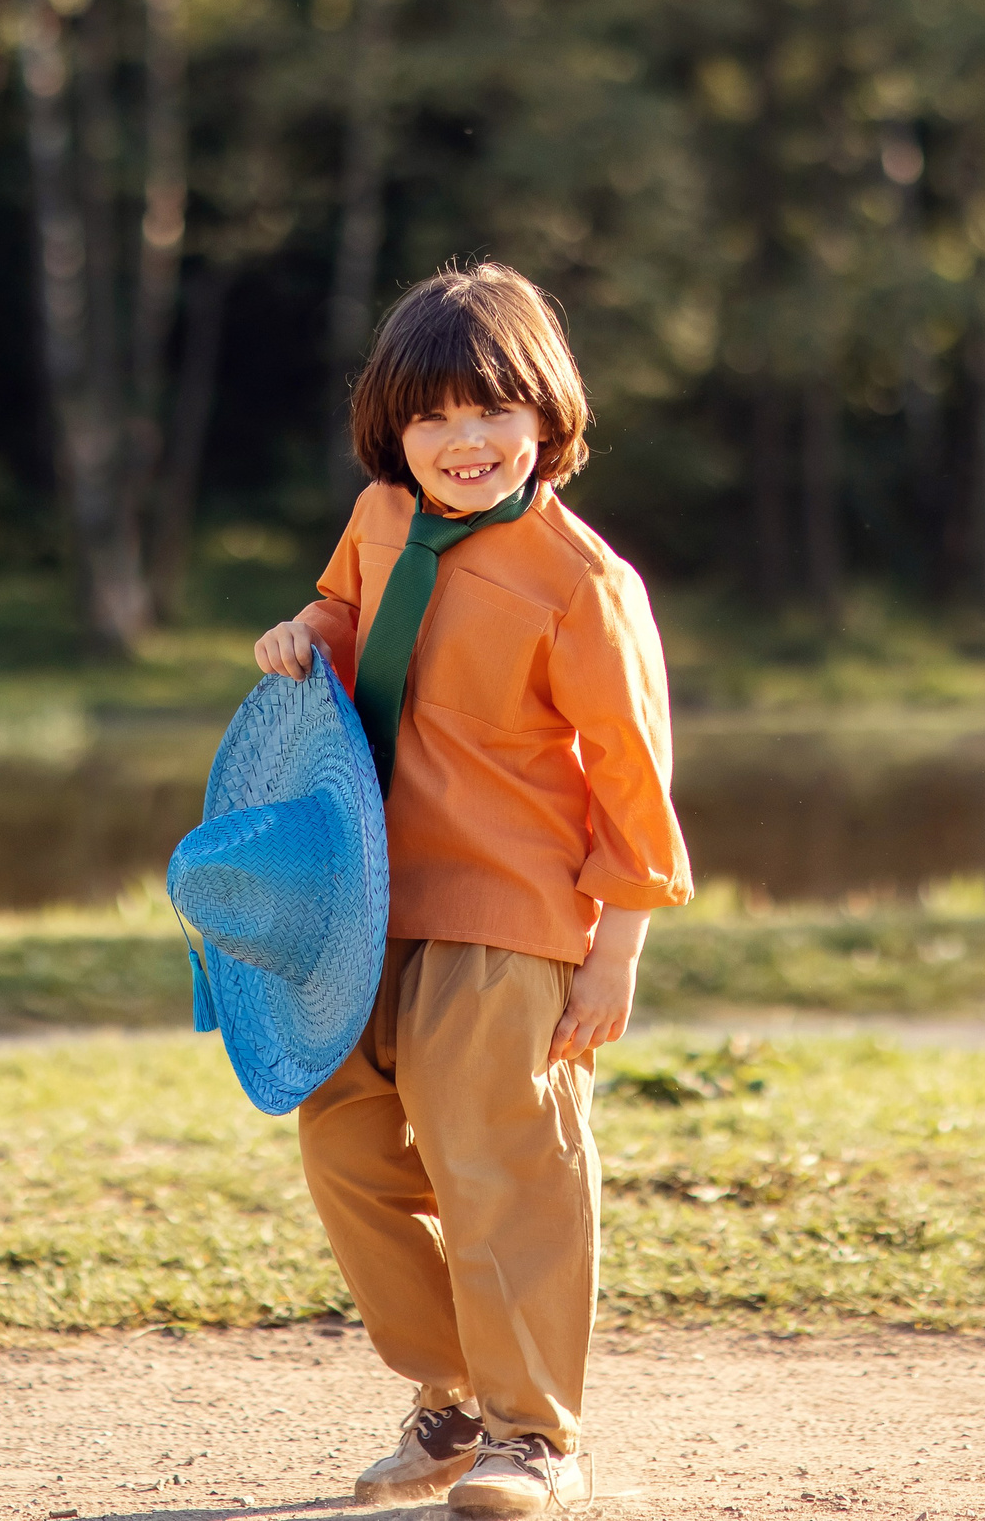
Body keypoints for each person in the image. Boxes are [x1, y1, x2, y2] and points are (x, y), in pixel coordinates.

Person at [253, 262, 691, 1517]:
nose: (464, 442)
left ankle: (533, 1435)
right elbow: (345, 617)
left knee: (500, 1157)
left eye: (492, 411)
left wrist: (616, 954)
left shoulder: (582, 584)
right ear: (392, 426)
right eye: (433, 416)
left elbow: (631, 778)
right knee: (343, 1141)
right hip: (359, 900)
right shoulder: (380, 518)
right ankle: (447, 1401)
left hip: (510, 907)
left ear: (546, 419)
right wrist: (301, 633)